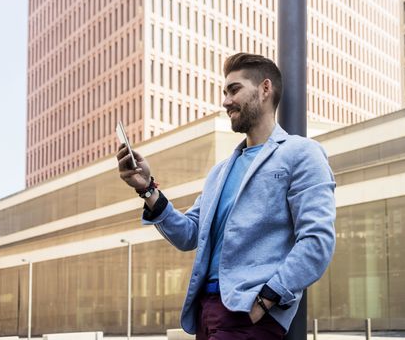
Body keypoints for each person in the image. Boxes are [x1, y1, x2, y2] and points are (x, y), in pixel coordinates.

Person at [117, 52, 336, 340]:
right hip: (205, 312)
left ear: (265, 89)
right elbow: (189, 235)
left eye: (234, 90)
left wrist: (267, 299)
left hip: (249, 314)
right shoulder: (219, 172)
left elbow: (317, 241)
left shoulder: (301, 153)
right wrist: (146, 188)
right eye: (225, 92)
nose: (225, 101)